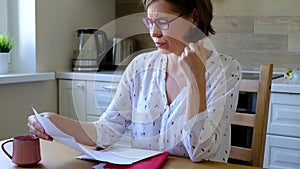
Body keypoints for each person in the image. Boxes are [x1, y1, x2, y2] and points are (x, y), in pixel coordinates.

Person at [27, 0, 241, 163]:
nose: (154, 33)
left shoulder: (226, 70)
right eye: (150, 22)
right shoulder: (141, 66)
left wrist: (196, 80)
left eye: (163, 22)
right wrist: (54, 122)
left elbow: (199, 152)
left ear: (194, 18)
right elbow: (107, 130)